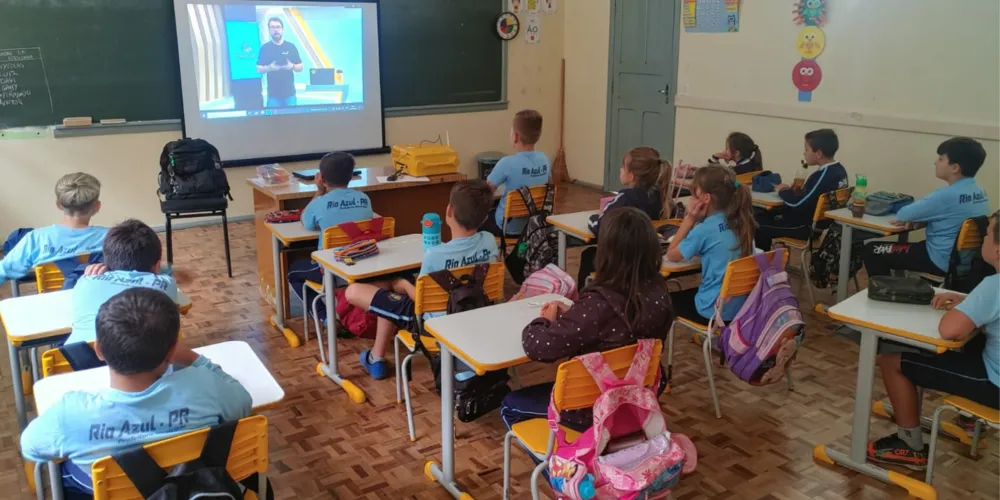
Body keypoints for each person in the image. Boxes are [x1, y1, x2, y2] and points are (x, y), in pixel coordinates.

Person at [20, 288, 252, 499]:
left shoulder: (69, 414)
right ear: (172, 352)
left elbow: (31, 447)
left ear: (98, 350)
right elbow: (243, 402)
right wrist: (194, 358)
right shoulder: (204, 386)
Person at [500, 208, 673, 437]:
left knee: (510, 404)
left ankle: (568, 470)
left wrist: (543, 320)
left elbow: (539, 347)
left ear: (606, 253)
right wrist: (576, 312)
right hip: (635, 400)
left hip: (590, 410)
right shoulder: (660, 293)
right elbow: (621, 327)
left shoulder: (598, 304)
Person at [867, 211, 999, 471]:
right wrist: (972, 305)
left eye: (985, 236)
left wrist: (965, 311)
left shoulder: (994, 285)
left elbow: (950, 331)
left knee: (891, 361)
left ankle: (909, 446)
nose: (980, 240)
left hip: (994, 384)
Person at [345, 180, 499, 379]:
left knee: (353, 291)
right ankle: (376, 357)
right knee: (392, 292)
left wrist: (404, 286)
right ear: (485, 217)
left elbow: (421, 302)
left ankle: (376, 359)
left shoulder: (435, 255)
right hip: (477, 312)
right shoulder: (489, 241)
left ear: (449, 211)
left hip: (434, 324)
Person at [862, 137, 990, 277]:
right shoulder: (979, 191)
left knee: (872, 250)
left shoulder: (945, 195)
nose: (935, 162)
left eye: (941, 159)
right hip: (966, 260)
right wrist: (925, 219)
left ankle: (885, 294)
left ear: (955, 167)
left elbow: (904, 214)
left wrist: (919, 218)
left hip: (940, 258)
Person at [66, 220, 181, 345]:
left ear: (107, 261)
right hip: (146, 359)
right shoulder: (167, 283)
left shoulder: (86, 280)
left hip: (78, 359)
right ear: (157, 265)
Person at [578, 147, 682, 284]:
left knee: (588, 255)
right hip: (650, 261)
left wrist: (593, 219)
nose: (620, 169)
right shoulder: (663, 198)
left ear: (632, 175)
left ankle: (585, 301)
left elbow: (601, 227)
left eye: (623, 167)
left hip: (624, 262)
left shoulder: (625, 198)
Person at [666, 165, 756, 323]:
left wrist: (689, 220)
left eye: (694, 195)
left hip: (711, 311)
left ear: (705, 198)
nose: (691, 200)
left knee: (665, 301)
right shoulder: (742, 223)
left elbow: (672, 255)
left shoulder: (704, 230)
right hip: (740, 308)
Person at [287, 152, 373, 304]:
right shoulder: (364, 198)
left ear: (321, 178)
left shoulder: (320, 202)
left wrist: (319, 191)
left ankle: (324, 316)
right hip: (363, 263)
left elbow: (306, 222)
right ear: (351, 176)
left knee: (293, 271)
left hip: (331, 268)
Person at [0, 172, 107, 285]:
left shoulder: (36, 239)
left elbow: (3, 271)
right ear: (97, 206)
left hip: (53, 301)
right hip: (105, 301)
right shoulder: (113, 237)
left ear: (58, 204)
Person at [754, 128, 848, 251]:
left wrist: (783, 191)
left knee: (756, 224)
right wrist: (797, 192)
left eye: (806, 150)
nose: (804, 153)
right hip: (817, 225)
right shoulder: (840, 170)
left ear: (818, 153)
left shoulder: (823, 175)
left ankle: (762, 266)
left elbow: (798, 203)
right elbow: (811, 198)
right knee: (762, 215)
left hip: (804, 227)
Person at [483, 109, 550, 237]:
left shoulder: (506, 163)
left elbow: (486, 191)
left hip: (507, 226)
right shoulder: (545, 159)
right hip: (534, 225)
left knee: (479, 221)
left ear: (515, 136)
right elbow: (549, 186)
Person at [256, 16, 303, 108]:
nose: (275, 30)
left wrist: (292, 66)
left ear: (282, 29)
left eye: (278, 27)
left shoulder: (291, 47)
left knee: (292, 121)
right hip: (273, 95)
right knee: (273, 122)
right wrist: (269, 68)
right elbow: (258, 69)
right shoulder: (265, 48)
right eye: (272, 27)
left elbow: (300, 67)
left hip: (290, 94)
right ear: (269, 30)